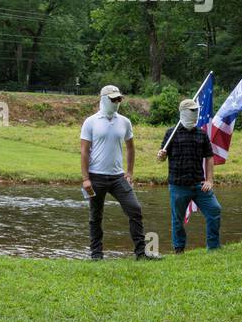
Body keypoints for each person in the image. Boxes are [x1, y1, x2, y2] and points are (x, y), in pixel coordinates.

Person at [80, 85, 149, 260]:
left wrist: (130, 172)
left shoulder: (124, 122)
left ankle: (141, 254)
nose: (117, 102)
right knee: (96, 216)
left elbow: (131, 148)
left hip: (118, 177)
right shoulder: (91, 121)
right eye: (113, 99)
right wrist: (86, 179)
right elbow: (84, 151)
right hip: (96, 177)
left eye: (119, 99)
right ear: (103, 99)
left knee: (135, 209)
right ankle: (96, 255)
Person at [157, 99, 221, 254]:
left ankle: (213, 247)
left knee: (215, 210)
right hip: (178, 186)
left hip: (199, 184)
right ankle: (179, 249)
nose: (195, 113)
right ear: (183, 112)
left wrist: (210, 180)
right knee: (177, 220)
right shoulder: (171, 133)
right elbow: (161, 157)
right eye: (192, 110)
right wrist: (161, 155)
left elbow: (209, 157)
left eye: (196, 110)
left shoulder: (201, 134)